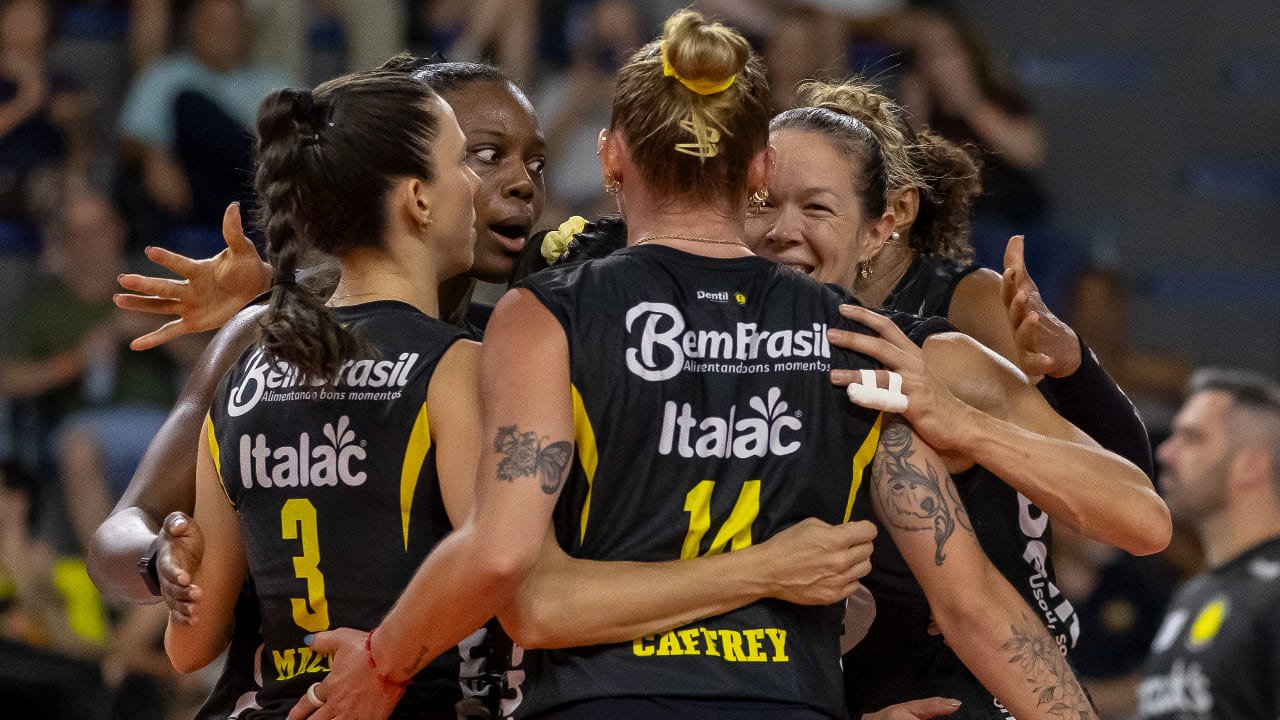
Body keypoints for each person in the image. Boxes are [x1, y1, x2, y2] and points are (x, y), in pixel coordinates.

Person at [297, 10, 1097, 720]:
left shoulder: (547, 315)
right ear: (758, 168)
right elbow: (978, 604)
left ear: (612, 158)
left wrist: (382, 662)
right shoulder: (856, 333)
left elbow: (514, 577)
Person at [91, 56, 872, 720]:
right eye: (482, 155)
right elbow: (517, 583)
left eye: (534, 163)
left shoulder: (535, 321)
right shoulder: (445, 353)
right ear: (415, 190)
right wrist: (162, 562)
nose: (519, 184)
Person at [744, 78, 1167, 718]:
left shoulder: (954, 320)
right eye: (762, 201)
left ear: (887, 219)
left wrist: (987, 411)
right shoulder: (719, 341)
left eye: (819, 204)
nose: (783, 229)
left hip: (978, 662)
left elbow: (1132, 506)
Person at [162, 67, 489, 719]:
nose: (477, 183)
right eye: (464, 161)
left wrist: (181, 581)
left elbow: (189, 647)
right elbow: (497, 569)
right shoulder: (457, 366)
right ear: (418, 198)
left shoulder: (244, 378)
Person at [1137, 369, 1280, 720]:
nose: (1166, 452)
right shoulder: (1191, 594)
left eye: (1192, 438)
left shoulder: (1274, 594)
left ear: (1250, 465)